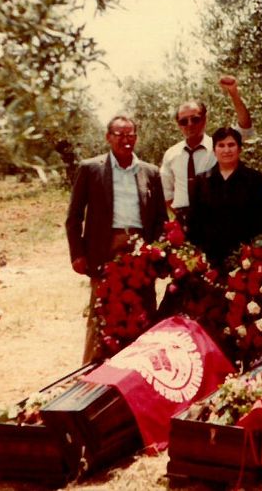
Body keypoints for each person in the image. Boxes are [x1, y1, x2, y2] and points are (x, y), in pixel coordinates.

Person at [65, 116, 168, 364]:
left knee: (142, 309)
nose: (126, 140)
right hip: (104, 248)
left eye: (130, 134)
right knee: (101, 312)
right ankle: (92, 372)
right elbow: (74, 215)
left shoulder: (150, 172)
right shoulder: (91, 169)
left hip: (140, 249)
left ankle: (140, 370)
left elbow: (161, 219)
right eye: (119, 134)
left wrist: (159, 253)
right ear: (108, 137)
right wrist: (77, 253)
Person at [160, 75, 255, 227]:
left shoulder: (219, 148)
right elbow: (167, 193)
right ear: (178, 125)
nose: (190, 124)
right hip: (182, 221)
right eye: (184, 121)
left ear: (205, 119)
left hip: (216, 218)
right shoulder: (171, 154)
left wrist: (234, 94)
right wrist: (184, 216)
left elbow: (245, 127)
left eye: (195, 119)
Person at [188, 127, 262, 268]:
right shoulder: (201, 181)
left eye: (231, 145)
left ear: (240, 149)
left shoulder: (254, 179)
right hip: (210, 259)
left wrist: (255, 253)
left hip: (246, 259)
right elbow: (194, 222)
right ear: (214, 150)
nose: (226, 150)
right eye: (221, 145)